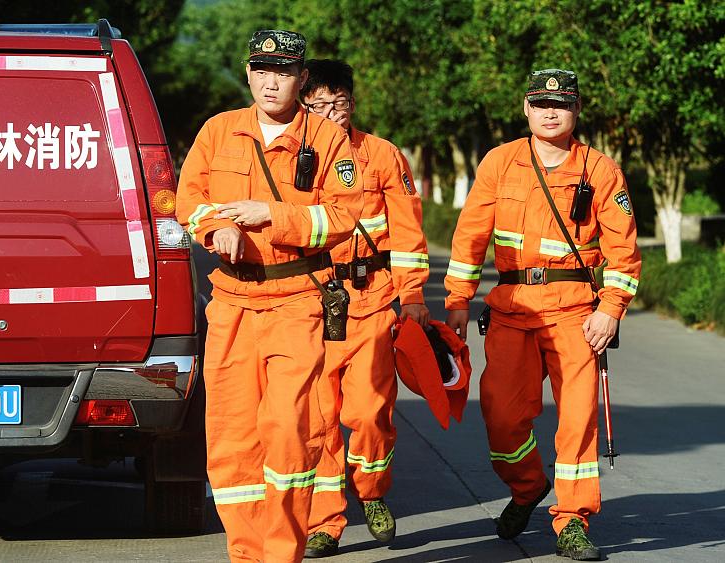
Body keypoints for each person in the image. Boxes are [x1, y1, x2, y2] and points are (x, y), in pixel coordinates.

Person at [176, 31, 363, 562]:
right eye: (261, 69)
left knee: (286, 430)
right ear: (249, 72)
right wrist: (215, 226)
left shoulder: (327, 139)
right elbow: (187, 198)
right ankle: (247, 554)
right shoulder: (218, 131)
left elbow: (345, 216)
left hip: (296, 300)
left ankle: (282, 554)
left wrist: (270, 216)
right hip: (232, 301)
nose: (269, 81)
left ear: (302, 80)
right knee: (233, 439)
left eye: (282, 71)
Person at [445, 69, 642, 561]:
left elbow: (624, 250)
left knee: (577, 420)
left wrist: (612, 309)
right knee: (501, 416)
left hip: (577, 314)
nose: (551, 111)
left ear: (576, 111)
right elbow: (470, 237)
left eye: (562, 103)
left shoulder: (600, 170)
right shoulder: (499, 162)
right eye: (541, 102)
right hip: (512, 310)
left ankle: (572, 519)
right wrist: (456, 301)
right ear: (526, 108)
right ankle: (528, 485)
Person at [297, 59, 431, 558]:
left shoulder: (381, 155)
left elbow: (410, 232)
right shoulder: (294, 154)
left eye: (339, 101)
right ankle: (325, 523)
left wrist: (413, 296)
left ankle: (372, 492)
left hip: (372, 297)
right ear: (303, 104)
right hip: (311, 299)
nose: (330, 111)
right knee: (320, 416)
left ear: (353, 102)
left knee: (370, 410)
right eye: (318, 103)